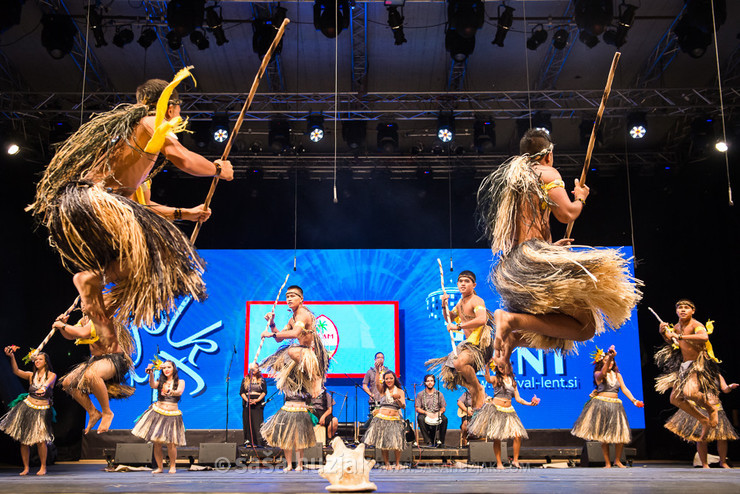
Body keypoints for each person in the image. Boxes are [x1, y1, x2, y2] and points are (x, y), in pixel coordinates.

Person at [26, 68, 234, 355]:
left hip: (80, 206)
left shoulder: (129, 140)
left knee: (142, 270)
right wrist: (218, 169)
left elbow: (143, 209)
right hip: (97, 201)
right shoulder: (151, 122)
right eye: (177, 110)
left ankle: (100, 321)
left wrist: (186, 213)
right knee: (158, 261)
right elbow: (182, 159)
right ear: (171, 107)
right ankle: (91, 282)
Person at [476, 129, 642, 366]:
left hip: (515, 265)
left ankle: (514, 338)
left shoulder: (512, 183)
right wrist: (581, 197)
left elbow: (521, 231)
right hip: (532, 260)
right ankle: (510, 320)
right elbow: (567, 214)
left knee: (557, 332)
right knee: (585, 329)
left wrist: (549, 249)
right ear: (548, 154)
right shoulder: (545, 172)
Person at [54, 312, 134, 434]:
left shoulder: (102, 318)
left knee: (91, 374)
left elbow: (82, 333)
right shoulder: (85, 320)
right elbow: (71, 336)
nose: (84, 305)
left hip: (113, 358)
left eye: (86, 302)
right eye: (83, 303)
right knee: (67, 383)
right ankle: (93, 412)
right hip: (96, 360)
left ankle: (107, 412)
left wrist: (62, 325)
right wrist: (62, 327)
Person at [425, 270, 493, 410]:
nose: (463, 284)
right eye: (460, 281)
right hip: (469, 345)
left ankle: (477, 388)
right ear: (457, 284)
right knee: (452, 372)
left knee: (459, 362)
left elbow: (482, 319)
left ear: (474, 285)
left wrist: (459, 326)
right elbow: (449, 317)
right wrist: (444, 305)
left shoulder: (476, 300)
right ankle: (473, 388)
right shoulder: (461, 302)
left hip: (480, 344)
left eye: (466, 281)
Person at [655, 299, 721, 441]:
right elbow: (672, 341)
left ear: (693, 311)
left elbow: (704, 337)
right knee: (675, 399)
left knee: (689, 392)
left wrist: (680, 336)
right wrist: (663, 333)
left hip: (699, 364)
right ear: (676, 311)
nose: (683, 310)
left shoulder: (696, 325)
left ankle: (711, 409)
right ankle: (703, 420)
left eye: (686, 307)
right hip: (685, 365)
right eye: (680, 307)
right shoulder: (678, 327)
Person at [571, 345, 643, 468]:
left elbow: (624, 389)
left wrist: (634, 400)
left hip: (616, 406)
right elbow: (603, 373)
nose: (610, 363)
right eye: (606, 361)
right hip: (602, 404)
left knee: (619, 434)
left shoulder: (617, 375)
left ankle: (617, 460)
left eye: (612, 361)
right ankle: (607, 462)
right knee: (604, 435)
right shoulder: (598, 373)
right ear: (601, 362)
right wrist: (609, 357)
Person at [260, 285, 329, 399]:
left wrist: (270, 334)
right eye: (287, 297)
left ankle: (316, 377)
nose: (289, 299)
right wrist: (272, 323)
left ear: (301, 298)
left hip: (312, 354)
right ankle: (302, 384)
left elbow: (295, 333)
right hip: (303, 352)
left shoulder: (302, 313)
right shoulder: (292, 319)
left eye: (292, 296)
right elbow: (279, 338)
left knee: (292, 351)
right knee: (278, 361)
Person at [468, 360, 539, 469]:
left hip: (510, 410)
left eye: (504, 366)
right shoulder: (496, 379)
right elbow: (487, 378)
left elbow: (518, 398)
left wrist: (530, 403)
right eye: (500, 366)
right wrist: (487, 365)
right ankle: (499, 463)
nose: (501, 368)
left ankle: (515, 460)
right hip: (497, 409)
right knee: (497, 437)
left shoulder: (513, 382)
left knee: (518, 435)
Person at [0, 347, 56, 476]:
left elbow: (47, 383)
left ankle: (43, 467)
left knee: (41, 440)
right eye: (35, 360)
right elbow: (16, 371)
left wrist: (43, 388)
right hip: (28, 407)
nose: (37, 361)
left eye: (40, 359)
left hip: (42, 409)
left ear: (46, 362)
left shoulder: (51, 375)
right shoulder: (32, 375)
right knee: (24, 439)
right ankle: (26, 467)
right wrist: (12, 357)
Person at [664, 374, 738, 468]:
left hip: (717, 408)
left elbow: (725, 389)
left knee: (722, 437)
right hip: (701, 407)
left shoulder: (717, 375)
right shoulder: (696, 375)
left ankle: (723, 462)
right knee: (702, 437)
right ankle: (704, 464)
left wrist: (730, 387)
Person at [131, 360, 186, 474]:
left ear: (173, 369)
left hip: (172, 415)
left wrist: (171, 392)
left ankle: (172, 466)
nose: (166, 369)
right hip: (158, 413)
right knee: (157, 442)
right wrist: (151, 373)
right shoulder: (160, 382)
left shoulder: (180, 381)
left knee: (171, 443)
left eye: (169, 367)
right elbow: (152, 385)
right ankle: (160, 467)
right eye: (164, 367)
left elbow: (179, 392)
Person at [261, 391, 316, 472]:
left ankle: (299, 464)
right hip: (287, 411)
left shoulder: (304, 386)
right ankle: (289, 464)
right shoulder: (286, 384)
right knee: (286, 440)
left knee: (299, 440)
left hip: (300, 412)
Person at [363, 371, 407, 470]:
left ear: (394, 379)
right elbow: (377, 383)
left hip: (395, 418)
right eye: (386, 379)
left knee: (397, 442)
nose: (389, 380)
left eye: (391, 378)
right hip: (382, 418)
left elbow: (403, 406)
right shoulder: (383, 390)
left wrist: (398, 400)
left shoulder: (400, 391)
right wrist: (378, 372)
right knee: (384, 443)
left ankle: (397, 464)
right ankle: (387, 464)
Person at [414, 374, 448, 447]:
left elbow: (443, 408)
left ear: (434, 382)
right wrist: (427, 413)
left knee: (444, 419)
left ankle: (441, 442)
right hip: (425, 414)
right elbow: (417, 408)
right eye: (428, 381)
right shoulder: (420, 394)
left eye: (431, 381)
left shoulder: (439, 394)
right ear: (425, 383)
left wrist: (438, 413)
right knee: (420, 418)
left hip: (436, 414)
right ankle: (428, 441)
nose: (430, 383)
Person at [240, 363, 267, 447]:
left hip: (258, 404)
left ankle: (258, 443)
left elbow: (264, 392)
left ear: (258, 369)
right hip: (247, 403)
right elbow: (242, 392)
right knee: (247, 422)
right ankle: (248, 442)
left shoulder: (262, 380)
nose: (254, 369)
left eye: (256, 368)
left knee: (257, 423)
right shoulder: (245, 379)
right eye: (252, 368)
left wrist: (257, 400)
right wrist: (248, 400)